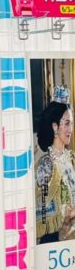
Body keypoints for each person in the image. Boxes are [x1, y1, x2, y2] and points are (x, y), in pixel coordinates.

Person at [35, 101, 75, 243]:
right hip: (55, 242)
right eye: (67, 123)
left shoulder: (71, 158)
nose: (70, 129)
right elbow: (42, 210)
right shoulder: (46, 164)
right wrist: (68, 214)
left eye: (71, 123)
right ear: (55, 127)